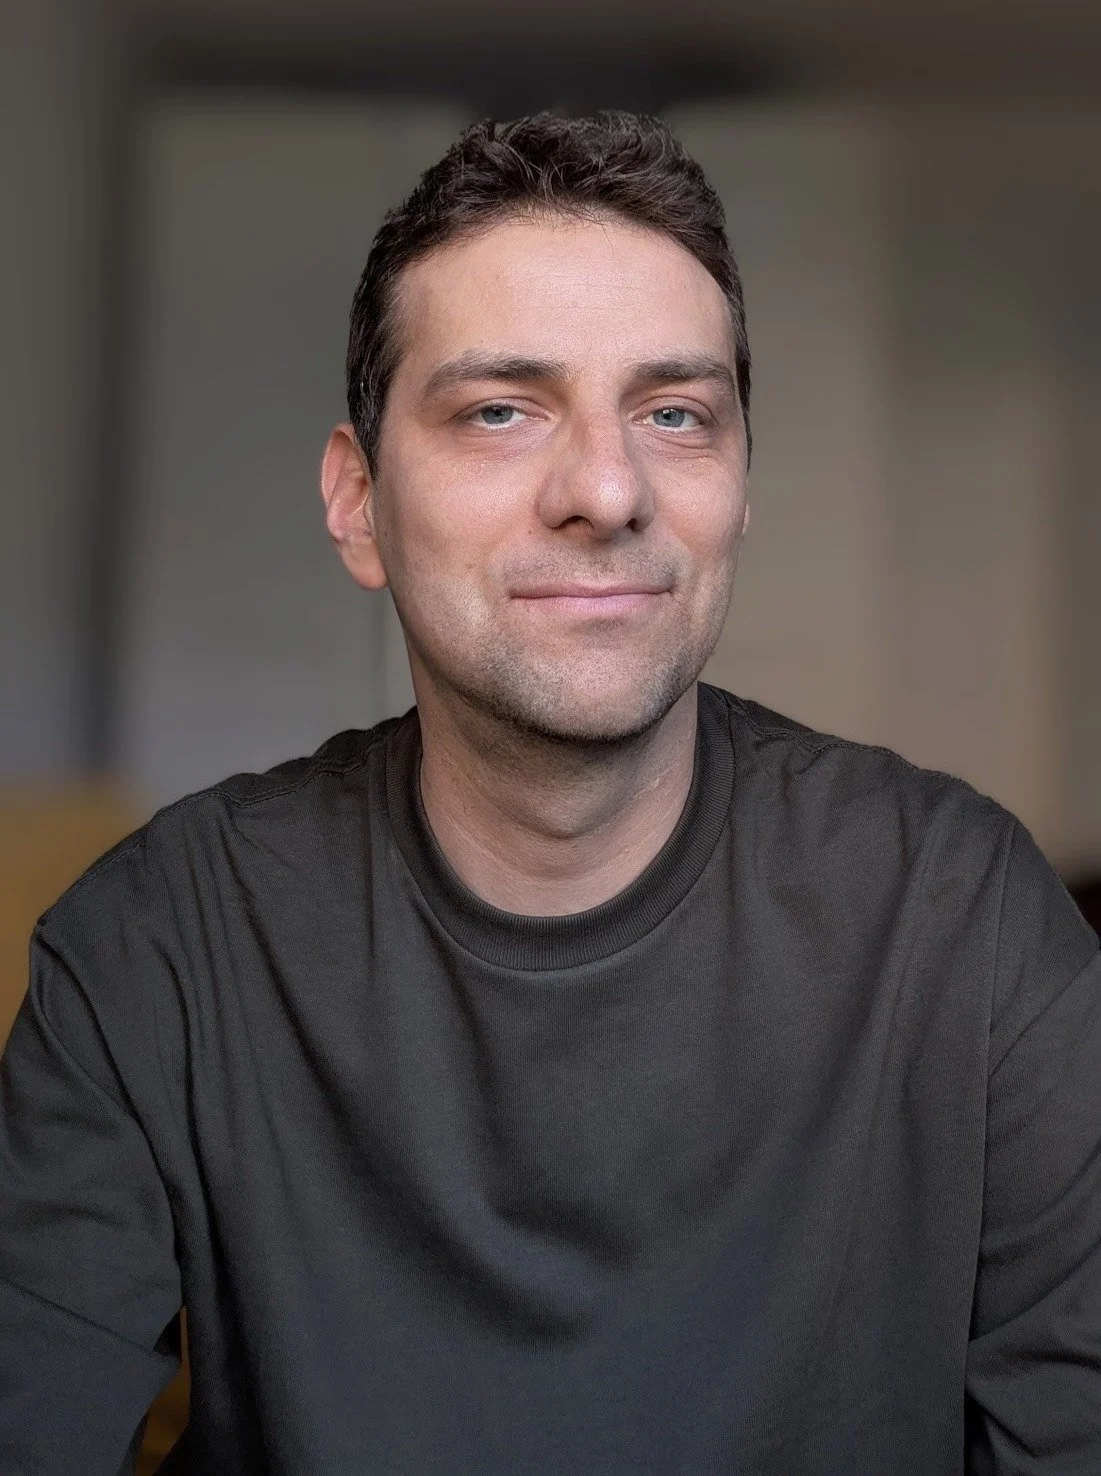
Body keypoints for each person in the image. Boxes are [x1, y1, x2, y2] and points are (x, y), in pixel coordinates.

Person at [1, 111, 1099, 1475]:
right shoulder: (157, 951)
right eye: (503, 410)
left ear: (740, 488)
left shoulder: (968, 926)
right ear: (356, 501)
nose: (605, 488)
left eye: (675, 413)